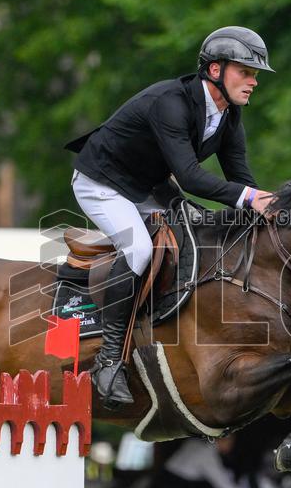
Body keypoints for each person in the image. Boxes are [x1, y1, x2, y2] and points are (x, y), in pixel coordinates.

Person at [65, 26, 276, 410]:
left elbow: (241, 181)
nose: (253, 81)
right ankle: (109, 363)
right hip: (102, 181)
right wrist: (249, 198)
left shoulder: (229, 117)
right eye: (245, 71)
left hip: (147, 187)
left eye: (255, 73)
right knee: (142, 250)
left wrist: (267, 214)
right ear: (215, 70)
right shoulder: (171, 102)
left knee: (192, 239)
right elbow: (193, 177)